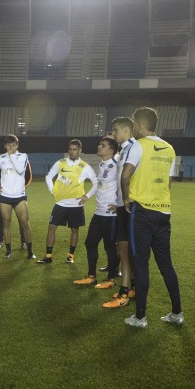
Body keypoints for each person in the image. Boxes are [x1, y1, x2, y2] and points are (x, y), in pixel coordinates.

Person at [121, 107, 183, 328]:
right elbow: (168, 182)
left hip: (142, 212)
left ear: (138, 125)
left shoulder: (138, 145)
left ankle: (140, 317)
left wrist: (126, 199)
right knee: (166, 264)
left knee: (141, 264)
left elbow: (125, 175)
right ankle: (177, 313)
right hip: (163, 211)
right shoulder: (169, 148)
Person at [37, 139, 97, 264]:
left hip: (76, 205)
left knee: (74, 230)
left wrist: (87, 196)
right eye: (70, 149)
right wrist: (52, 190)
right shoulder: (60, 163)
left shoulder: (84, 167)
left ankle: (70, 256)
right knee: (51, 227)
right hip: (60, 204)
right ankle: (48, 256)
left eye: (75, 149)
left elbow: (96, 182)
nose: (72, 152)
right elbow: (48, 176)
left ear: (80, 151)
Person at [72, 136, 119, 287]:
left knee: (110, 247)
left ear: (111, 150)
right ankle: (91, 276)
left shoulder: (117, 165)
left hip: (111, 215)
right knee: (90, 242)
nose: (99, 146)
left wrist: (119, 205)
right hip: (99, 212)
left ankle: (111, 279)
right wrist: (87, 196)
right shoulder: (102, 164)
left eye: (103, 145)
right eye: (100, 144)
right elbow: (99, 185)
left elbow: (126, 184)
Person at [103, 117, 137, 308]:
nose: (113, 133)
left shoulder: (134, 147)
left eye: (115, 130)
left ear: (125, 130)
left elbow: (129, 177)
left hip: (129, 207)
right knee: (123, 249)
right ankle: (128, 288)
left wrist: (126, 200)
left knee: (129, 250)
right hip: (121, 207)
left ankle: (127, 292)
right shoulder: (124, 149)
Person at [0, 134, 35, 260]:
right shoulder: (0, 159)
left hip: (19, 197)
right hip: (5, 197)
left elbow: (19, 170)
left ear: (17, 145)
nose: (10, 147)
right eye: (8, 145)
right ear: (5, 146)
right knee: (6, 224)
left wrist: (12, 155)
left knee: (25, 224)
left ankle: (30, 251)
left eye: (13, 145)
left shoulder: (22, 156)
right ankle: (8, 250)